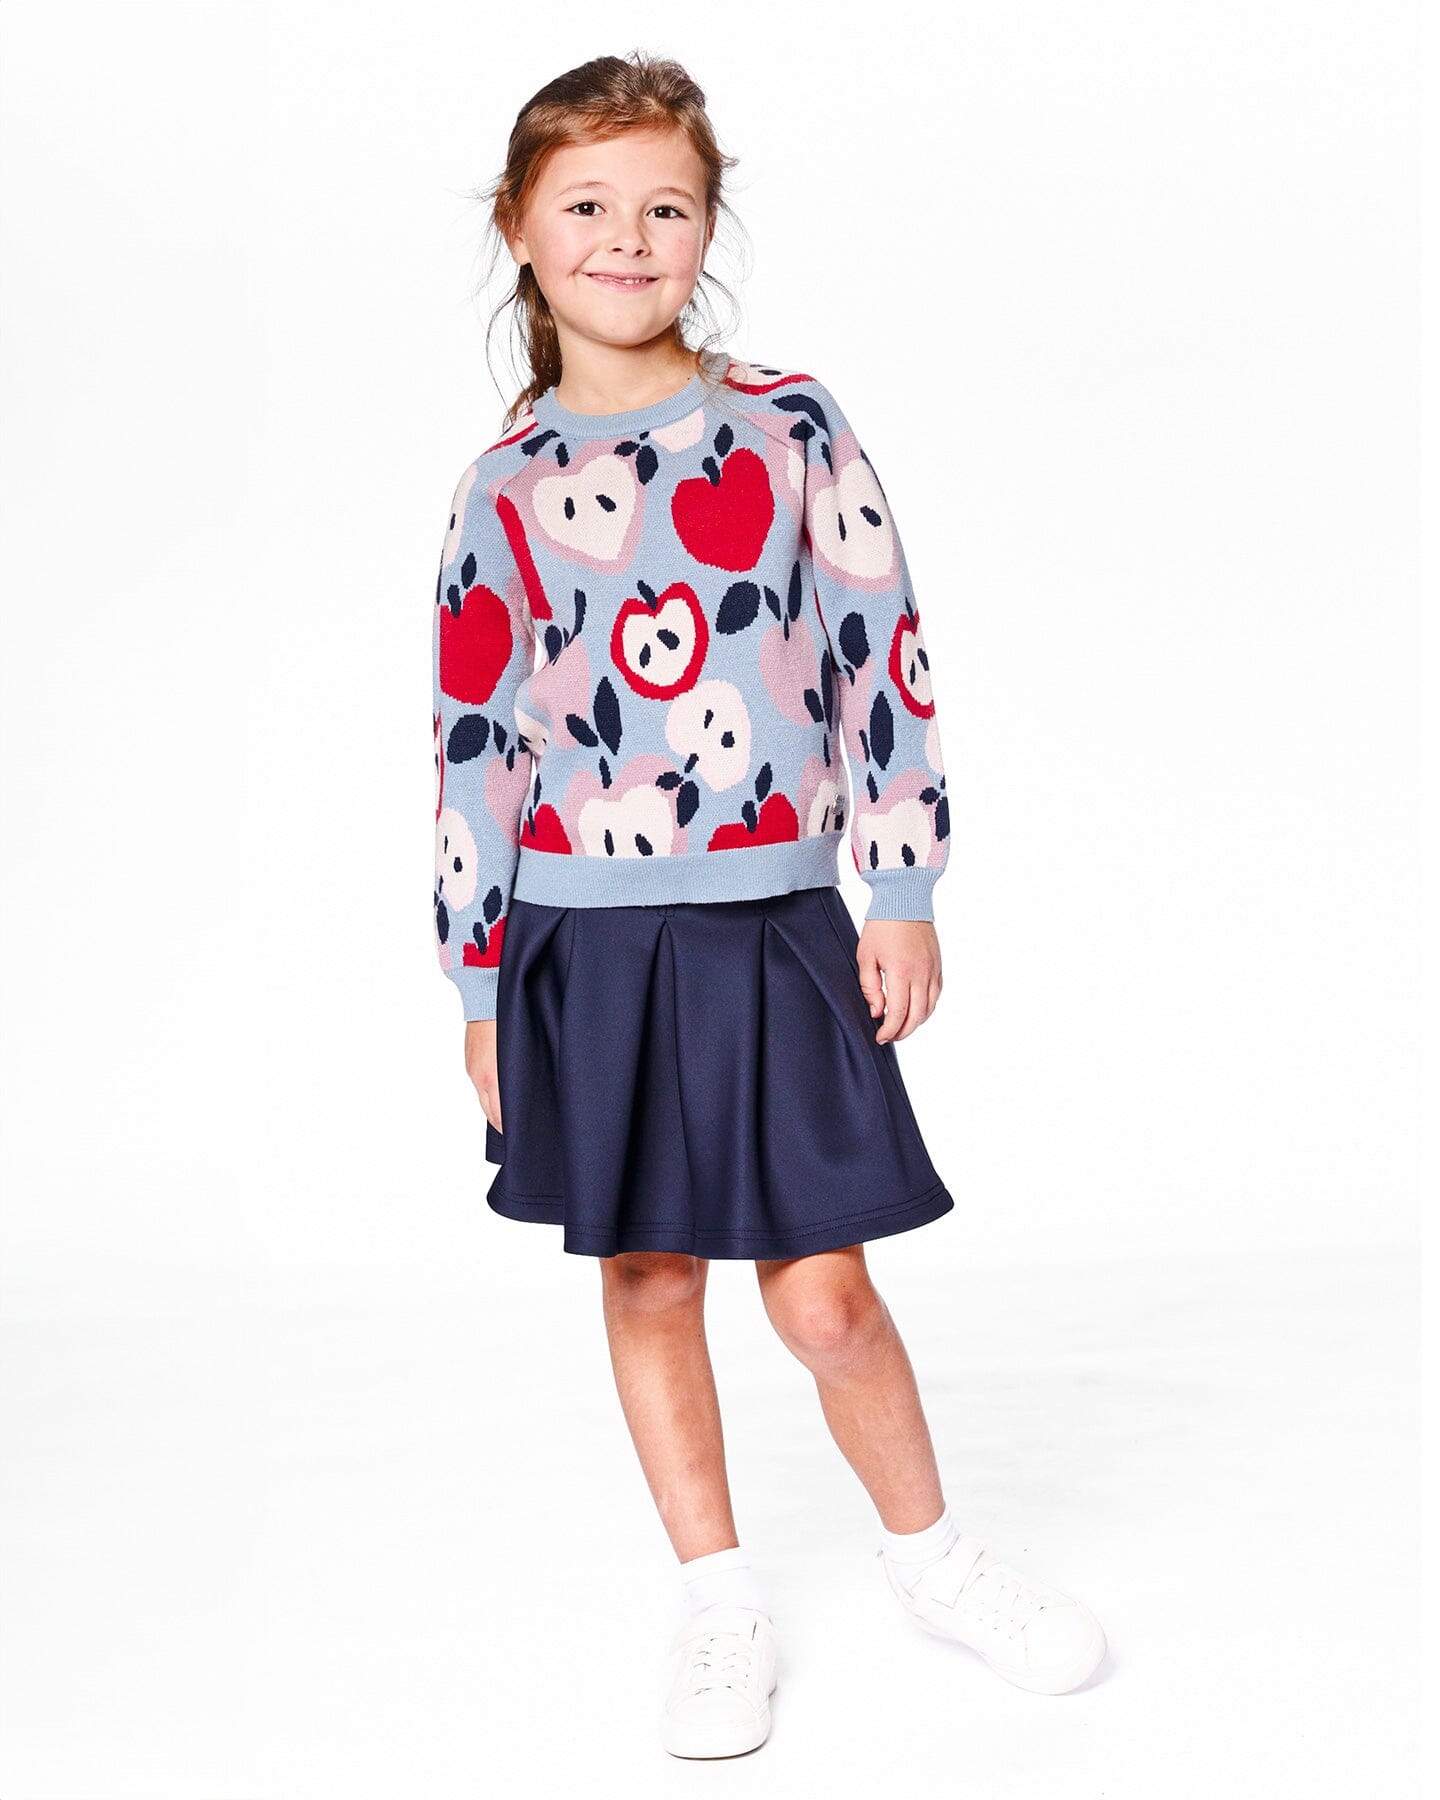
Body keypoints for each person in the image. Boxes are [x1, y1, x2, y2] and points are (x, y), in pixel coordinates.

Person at [431, 50, 1106, 1760]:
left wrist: (903, 880)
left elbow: (882, 646)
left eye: (667, 206)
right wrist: (482, 987)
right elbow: (475, 743)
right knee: (651, 1277)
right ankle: (719, 1600)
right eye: (588, 205)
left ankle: (935, 1560)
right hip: (581, 940)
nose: (628, 237)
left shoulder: (791, 425)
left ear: (708, 227)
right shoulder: (501, 487)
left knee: (822, 1293)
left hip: (773, 920)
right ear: (520, 230)